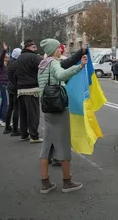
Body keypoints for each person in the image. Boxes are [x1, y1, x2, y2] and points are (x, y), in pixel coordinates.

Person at [37, 38, 88, 194]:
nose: (61, 49)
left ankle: (45, 182)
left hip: (46, 108)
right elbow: (60, 75)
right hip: (59, 108)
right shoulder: (53, 63)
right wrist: (80, 66)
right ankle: (67, 182)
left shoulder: (42, 64)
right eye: (58, 47)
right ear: (54, 50)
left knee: (47, 144)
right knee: (64, 144)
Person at [15, 39, 43, 143]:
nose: (35, 48)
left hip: (20, 89)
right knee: (33, 113)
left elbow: (14, 73)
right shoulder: (34, 57)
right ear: (27, 47)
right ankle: (34, 136)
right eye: (33, 47)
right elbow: (42, 69)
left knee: (23, 113)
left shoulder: (18, 58)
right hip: (32, 88)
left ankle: (24, 134)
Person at [5, 47, 22, 136]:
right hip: (15, 87)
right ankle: (15, 129)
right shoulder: (17, 64)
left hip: (10, 86)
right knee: (16, 108)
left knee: (10, 107)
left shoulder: (9, 62)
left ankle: (7, 127)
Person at [0, 43, 10, 127]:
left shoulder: (6, 65)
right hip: (3, 83)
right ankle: (4, 120)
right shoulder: (0, 64)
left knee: (3, 102)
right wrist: (4, 50)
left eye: (8, 58)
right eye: (6, 57)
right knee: (6, 103)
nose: (7, 59)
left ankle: (1, 119)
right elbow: (1, 58)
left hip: (4, 83)